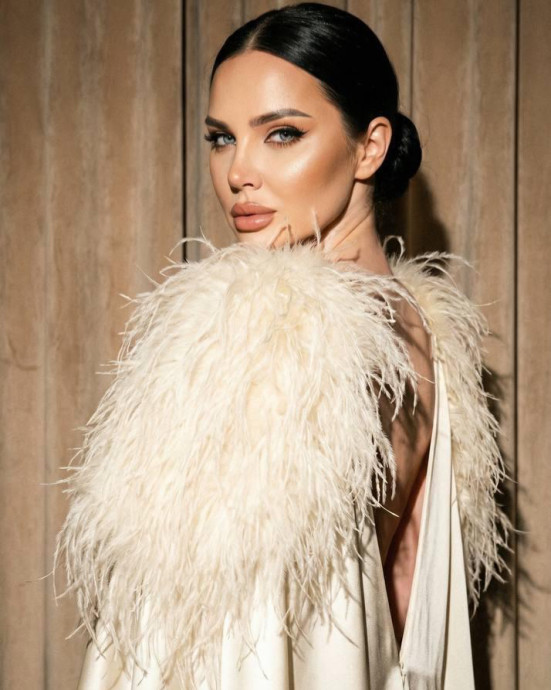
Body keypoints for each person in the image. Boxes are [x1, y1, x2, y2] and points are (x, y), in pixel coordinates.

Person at [53, 3, 511, 688]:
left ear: (370, 146)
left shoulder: (278, 330)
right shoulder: (415, 331)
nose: (238, 171)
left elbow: (207, 641)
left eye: (282, 134)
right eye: (221, 138)